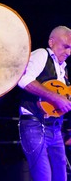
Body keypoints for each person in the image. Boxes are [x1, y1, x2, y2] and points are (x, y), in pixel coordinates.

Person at [18, 26, 71, 181]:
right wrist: (54, 97)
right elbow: (23, 79)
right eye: (65, 46)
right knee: (44, 177)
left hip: (55, 128)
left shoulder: (63, 69)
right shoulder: (42, 54)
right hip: (35, 125)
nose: (68, 52)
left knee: (61, 176)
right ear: (51, 42)